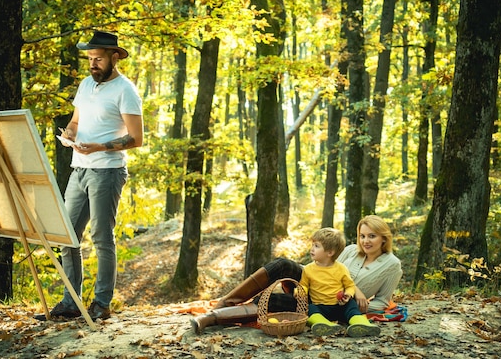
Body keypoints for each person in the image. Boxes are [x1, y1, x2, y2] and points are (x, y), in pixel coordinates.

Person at [47, 30, 144, 321]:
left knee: (102, 237)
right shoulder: (86, 84)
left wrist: (100, 146)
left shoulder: (126, 90)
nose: (92, 64)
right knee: (67, 236)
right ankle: (70, 302)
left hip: (108, 172)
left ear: (115, 57)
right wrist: (69, 134)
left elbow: (136, 138)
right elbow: (75, 121)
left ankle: (101, 304)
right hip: (79, 169)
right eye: (90, 59)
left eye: (98, 59)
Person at [191, 215, 402, 334]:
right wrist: (356, 290)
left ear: (384, 238)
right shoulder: (349, 250)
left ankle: (210, 319)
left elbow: (383, 302)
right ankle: (225, 303)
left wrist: (355, 305)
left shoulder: (392, 265)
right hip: (314, 284)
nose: (365, 241)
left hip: (333, 304)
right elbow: (326, 269)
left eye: (372, 236)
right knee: (283, 264)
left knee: (273, 302)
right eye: (362, 236)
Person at [300, 227, 380, 337]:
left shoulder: (341, 268)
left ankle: (362, 324)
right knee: (309, 308)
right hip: (320, 307)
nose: (312, 249)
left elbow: (350, 286)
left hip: (340, 306)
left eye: (317, 246)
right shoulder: (308, 269)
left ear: (330, 252)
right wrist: (300, 291)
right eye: (313, 245)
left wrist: (348, 294)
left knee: (351, 306)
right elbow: (304, 285)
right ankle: (325, 325)